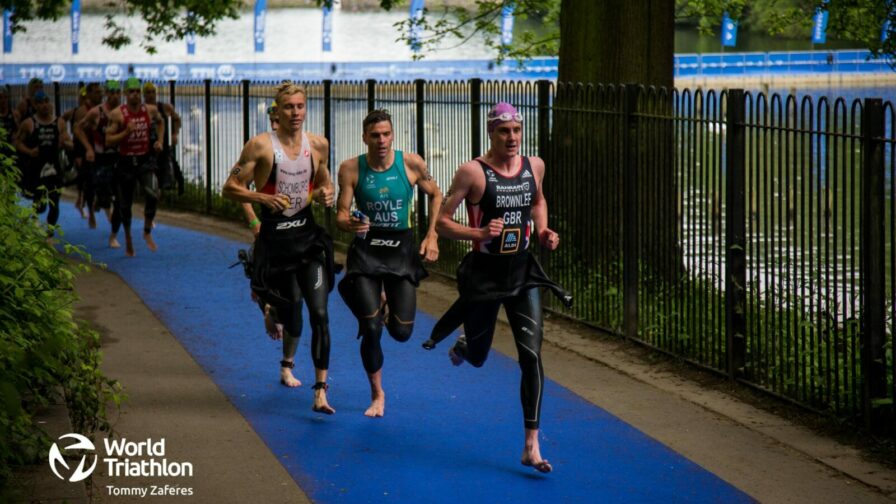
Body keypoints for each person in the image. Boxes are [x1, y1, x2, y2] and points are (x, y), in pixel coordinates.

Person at [434, 102, 571, 474]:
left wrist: (542, 230)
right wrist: (477, 233)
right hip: (484, 274)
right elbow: (443, 223)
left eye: (516, 131)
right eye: (503, 132)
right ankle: (466, 344)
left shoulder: (534, 166)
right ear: (491, 133)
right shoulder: (472, 173)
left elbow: (538, 201)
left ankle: (531, 444)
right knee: (479, 355)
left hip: (522, 272)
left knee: (531, 355)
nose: (511, 138)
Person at [222, 82, 336, 415]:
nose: (296, 113)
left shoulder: (318, 145)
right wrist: (262, 198)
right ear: (277, 110)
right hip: (276, 244)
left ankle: (320, 391)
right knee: (293, 315)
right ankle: (272, 312)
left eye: (300, 106)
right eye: (289, 107)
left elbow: (325, 181)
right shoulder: (259, 146)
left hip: (309, 241)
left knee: (320, 314)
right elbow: (230, 188)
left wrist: (328, 193)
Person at [335, 109, 442, 418]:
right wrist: (350, 224)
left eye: (386, 134)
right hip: (367, 251)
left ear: (392, 135)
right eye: (374, 135)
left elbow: (436, 194)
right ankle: (377, 394)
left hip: (400, 250)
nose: (381, 140)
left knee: (402, 333)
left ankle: (383, 306)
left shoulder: (411, 163)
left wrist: (432, 235)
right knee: (370, 327)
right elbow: (341, 214)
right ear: (364, 138)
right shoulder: (351, 168)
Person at [104, 77, 165, 256]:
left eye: (138, 91)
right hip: (125, 163)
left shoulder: (150, 110)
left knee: (153, 192)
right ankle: (128, 238)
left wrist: (160, 141)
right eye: (131, 92)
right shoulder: (118, 114)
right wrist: (126, 132)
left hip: (144, 161)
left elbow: (161, 122)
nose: (135, 95)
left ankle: (146, 232)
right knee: (125, 205)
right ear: (125, 94)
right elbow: (108, 140)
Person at [14, 90, 74, 235]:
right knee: (41, 204)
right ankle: (35, 214)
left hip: (54, 168)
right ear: (35, 105)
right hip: (36, 168)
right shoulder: (29, 124)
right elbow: (17, 142)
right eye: (41, 102)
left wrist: (65, 143)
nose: (45, 105)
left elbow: (69, 142)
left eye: (47, 101)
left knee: (55, 202)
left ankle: (50, 234)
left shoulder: (59, 123)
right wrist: (29, 151)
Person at [74, 80, 121, 229]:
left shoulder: (123, 111)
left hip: (118, 157)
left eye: (117, 93)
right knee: (93, 186)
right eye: (111, 93)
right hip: (100, 158)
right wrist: (88, 148)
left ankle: (101, 204)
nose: (114, 96)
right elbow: (77, 128)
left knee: (117, 191)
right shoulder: (96, 112)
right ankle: (95, 211)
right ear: (107, 94)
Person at [141, 82, 182, 193]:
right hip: (147, 147)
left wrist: (175, 133)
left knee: (168, 172)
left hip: (163, 144)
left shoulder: (164, 107)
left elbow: (177, 120)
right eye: (148, 93)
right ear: (144, 95)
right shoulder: (141, 109)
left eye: (153, 92)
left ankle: (172, 189)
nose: (151, 95)